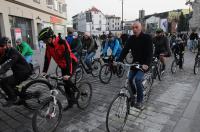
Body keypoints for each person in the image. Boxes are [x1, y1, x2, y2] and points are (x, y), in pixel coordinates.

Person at [38, 27, 78, 110]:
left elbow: (68, 58)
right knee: (66, 86)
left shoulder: (62, 42)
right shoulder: (48, 46)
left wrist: (68, 73)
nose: (45, 42)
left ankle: (75, 90)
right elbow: (47, 58)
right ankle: (71, 102)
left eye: (45, 40)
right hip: (62, 65)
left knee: (67, 80)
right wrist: (44, 71)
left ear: (51, 37)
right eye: (44, 41)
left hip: (71, 63)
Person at [118, 22, 153, 109]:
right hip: (135, 63)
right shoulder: (131, 38)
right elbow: (125, 50)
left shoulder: (147, 38)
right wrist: (118, 60)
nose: (134, 29)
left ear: (141, 28)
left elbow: (150, 53)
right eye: (133, 28)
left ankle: (140, 101)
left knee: (137, 79)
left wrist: (147, 64)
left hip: (144, 64)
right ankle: (134, 94)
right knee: (129, 79)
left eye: (136, 27)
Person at [0, 37, 32, 106]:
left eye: (3, 46)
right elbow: (1, 61)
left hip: (23, 72)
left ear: (8, 44)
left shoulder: (13, 52)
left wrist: (1, 70)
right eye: (1, 46)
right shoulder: (7, 52)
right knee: (10, 84)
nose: (2, 47)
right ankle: (17, 95)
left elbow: (7, 65)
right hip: (18, 72)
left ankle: (13, 98)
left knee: (3, 82)